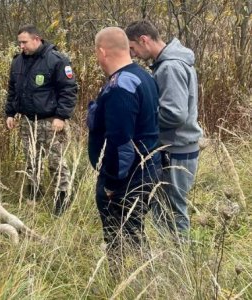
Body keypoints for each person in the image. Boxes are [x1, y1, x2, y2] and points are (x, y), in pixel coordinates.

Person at [87, 27, 161, 269]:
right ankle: (142, 281)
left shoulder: (121, 87)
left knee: (122, 237)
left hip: (127, 180)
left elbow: (121, 144)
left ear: (102, 52)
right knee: (134, 232)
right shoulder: (144, 76)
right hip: (146, 170)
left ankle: (122, 282)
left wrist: (110, 184)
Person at [125, 20, 203, 238]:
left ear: (144, 40)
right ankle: (167, 256)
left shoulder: (170, 67)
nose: (133, 54)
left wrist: (142, 121)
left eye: (132, 48)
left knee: (173, 209)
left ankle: (178, 262)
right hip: (173, 147)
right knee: (162, 206)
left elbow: (175, 114)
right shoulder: (167, 63)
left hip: (177, 149)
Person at [5, 24, 78, 216]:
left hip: (51, 121)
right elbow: (13, 89)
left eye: (25, 42)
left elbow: (68, 90)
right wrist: (10, 113)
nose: (21, 46)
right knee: (31, 161)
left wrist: (61, 116)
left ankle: (62, 198)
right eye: (19, 42)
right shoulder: (18, 62)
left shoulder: (56, 60)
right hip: (27, 121)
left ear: (37, 39)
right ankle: (34, 195)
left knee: (56, 162)